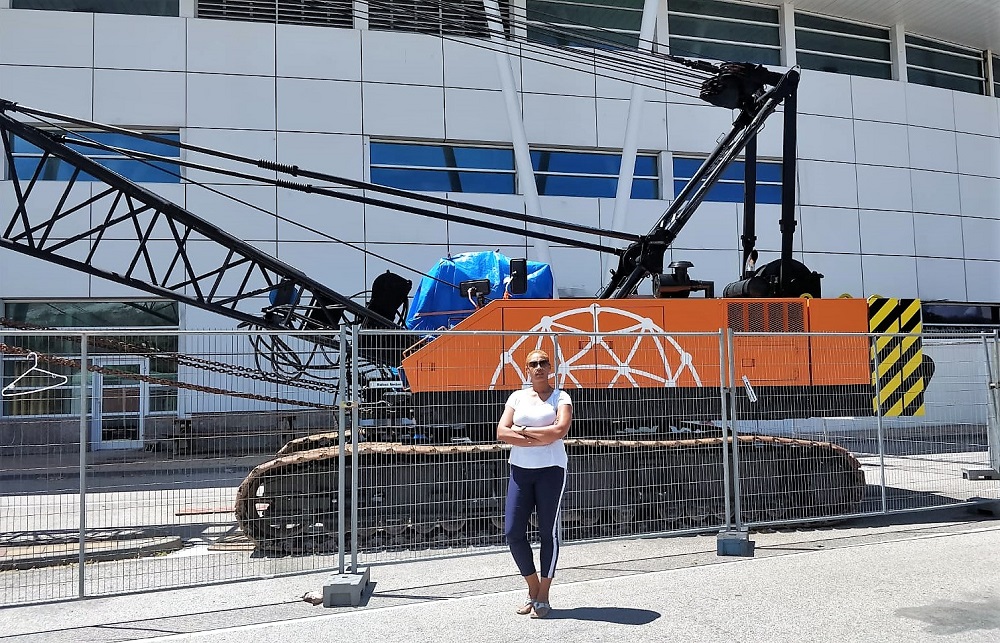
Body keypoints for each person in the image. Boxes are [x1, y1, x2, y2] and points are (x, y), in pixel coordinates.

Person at [495, 349, 572, 619]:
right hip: (520, 471)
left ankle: (544, 596)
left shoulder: (561, 397)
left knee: (548, 533)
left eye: (543, 362)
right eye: (533, 363)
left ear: (551, 367)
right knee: (513, 532)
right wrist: (541, 436)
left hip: (551, 471)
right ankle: (533, 588)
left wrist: (523, 431)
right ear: (526, 369)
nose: (538, 367)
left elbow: (559, 431)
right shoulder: (516, 397)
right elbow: (501, 431)